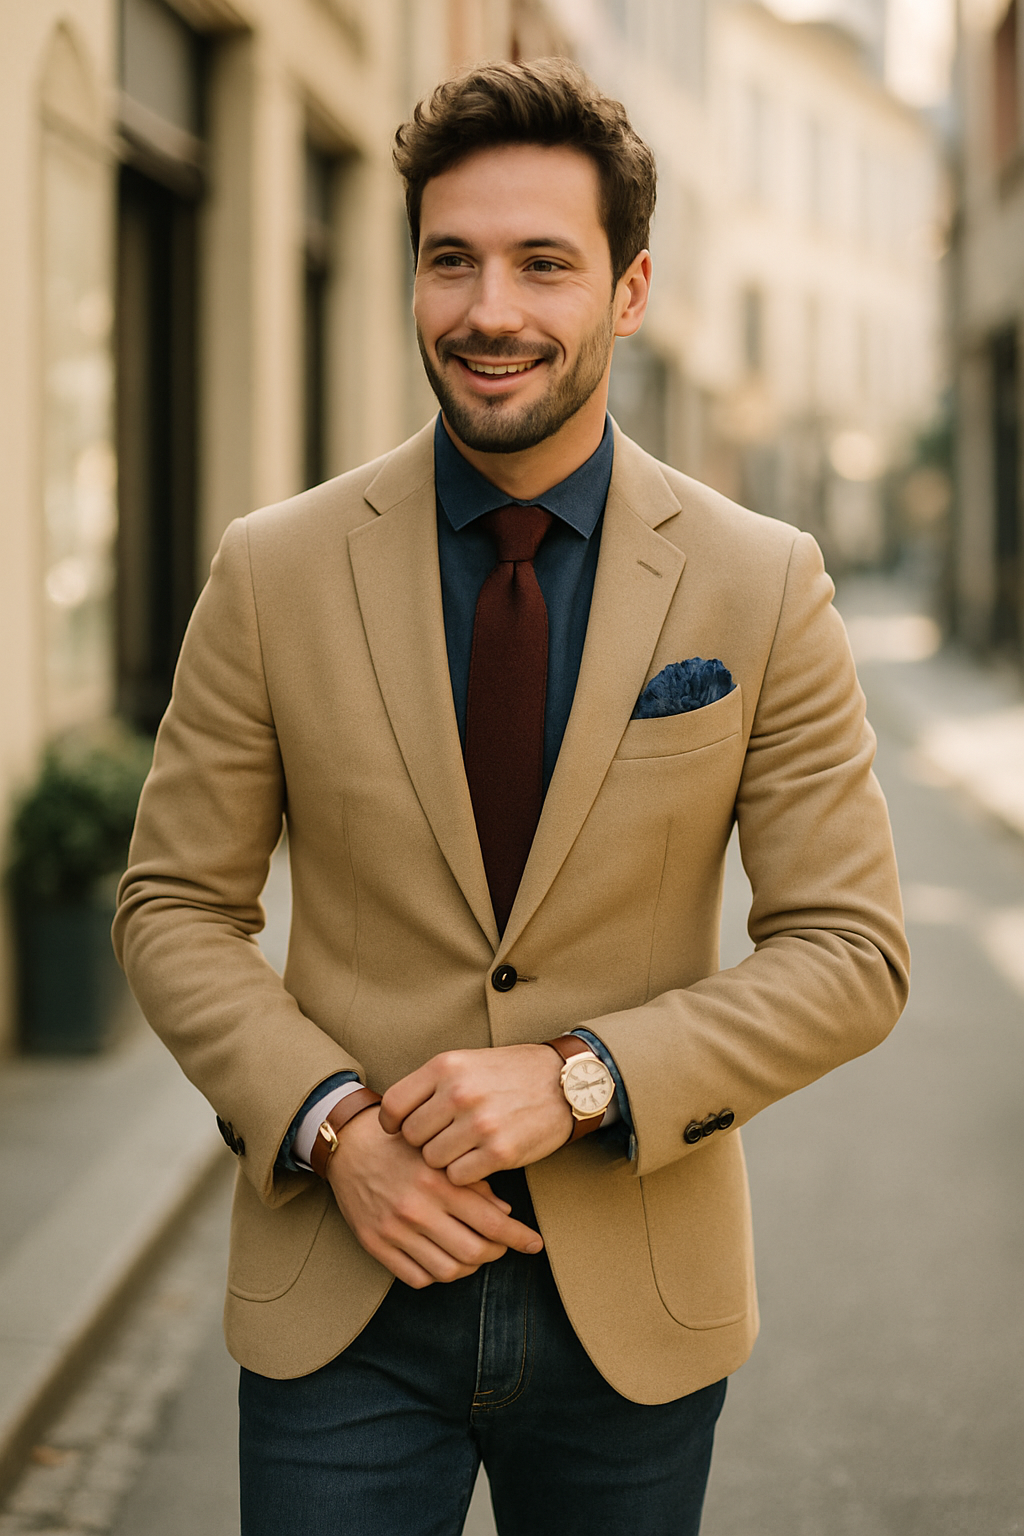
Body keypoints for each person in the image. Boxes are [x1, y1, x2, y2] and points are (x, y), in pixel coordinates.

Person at [114, 57, 908, 1536]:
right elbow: (174, 906)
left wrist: (582, 1074)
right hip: (340, 1299)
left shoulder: (762, 580)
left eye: (546, 262)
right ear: (410, 281)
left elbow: (851, 954)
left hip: (636, 1306)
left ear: (630, 289)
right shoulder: (271, 570)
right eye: (450, 262)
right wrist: (333, 1127)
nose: (490, 310)